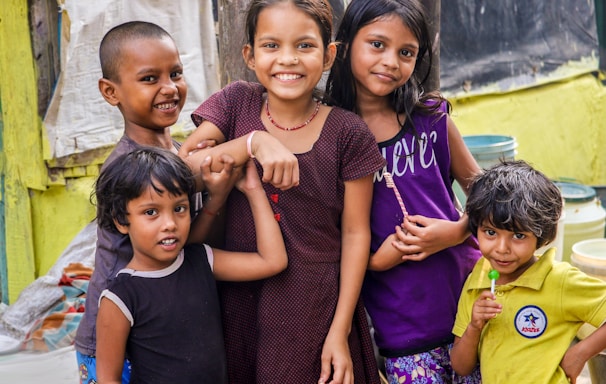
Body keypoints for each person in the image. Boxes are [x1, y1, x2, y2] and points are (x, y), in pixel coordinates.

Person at [177, 1, 385, 383]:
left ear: (328, 55)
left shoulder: (348, 133)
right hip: (237, 300)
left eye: (304, 46)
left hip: (312, 306)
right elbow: (184, 169)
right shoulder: (236, 103)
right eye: (271, 46)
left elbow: (356, 235)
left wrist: (339, 331)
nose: (287, 59)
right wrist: (252, 142)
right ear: (250, 56)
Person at [75, 21, 243, 384]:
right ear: (110, 91)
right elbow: (192, 172)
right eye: (150, 78)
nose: (169, 88)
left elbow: (194, 245)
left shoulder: (180, 152)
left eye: (176, 73)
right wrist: (254, 143)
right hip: (115, 335)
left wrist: (218, 194)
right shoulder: (126, 165)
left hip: (164, 328)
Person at [325, 1, 482, 382]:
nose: (392, 61)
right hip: (405, 326)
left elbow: (485, 193)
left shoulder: (431, 117)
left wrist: (456, 231)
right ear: (344, 46)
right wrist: (378, 261)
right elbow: (330, 236)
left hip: (473, 305)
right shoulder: (330, 135)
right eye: (377, 44)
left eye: (406, 52)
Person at [94, 147, 287, 383]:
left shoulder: (200, 260)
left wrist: (254, 190)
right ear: (122, 220)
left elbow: (272, 261)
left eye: (179, 209)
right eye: (151, 212)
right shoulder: (120, 298)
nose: (170, 224)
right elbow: (108, 378)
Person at [450, 160, 606, 383]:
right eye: (490, 232)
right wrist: (474, 327)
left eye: (519, 236)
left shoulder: (558, 280)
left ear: (542, 237)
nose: (502, 249)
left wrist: (580, 353)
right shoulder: (478, 281)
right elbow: (461, 366)